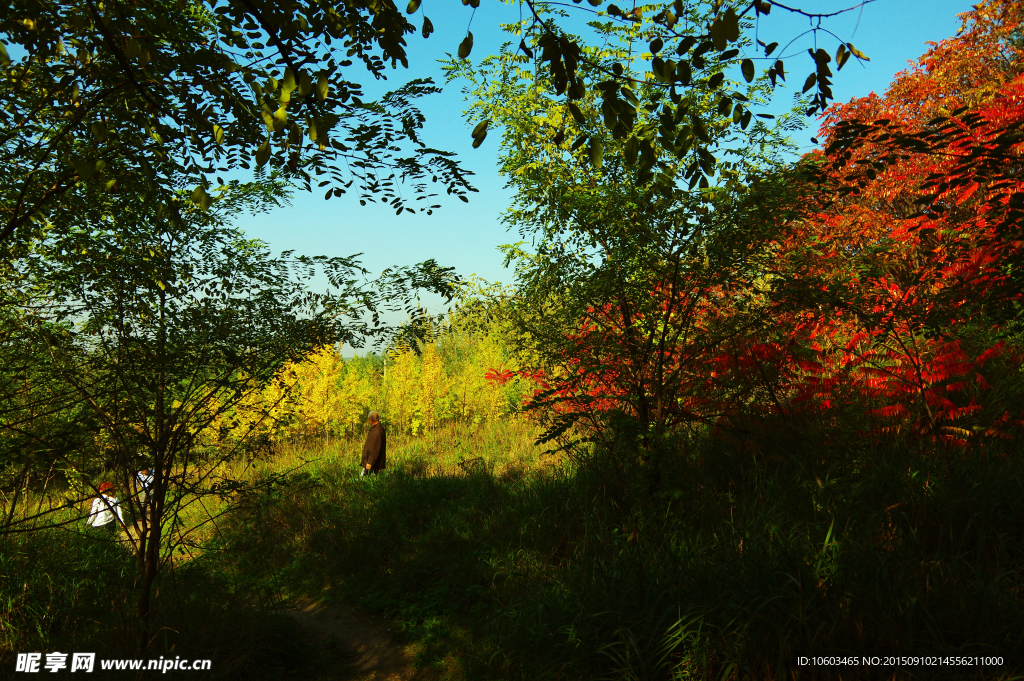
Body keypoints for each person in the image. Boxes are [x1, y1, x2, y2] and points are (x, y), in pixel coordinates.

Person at [360, 411, 387, 476]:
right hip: (372, 463)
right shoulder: (377, 429)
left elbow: (375, 448)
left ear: (371, 420)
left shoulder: (377, 431)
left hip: (372, 465)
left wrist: (370, 462)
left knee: (363, 481)